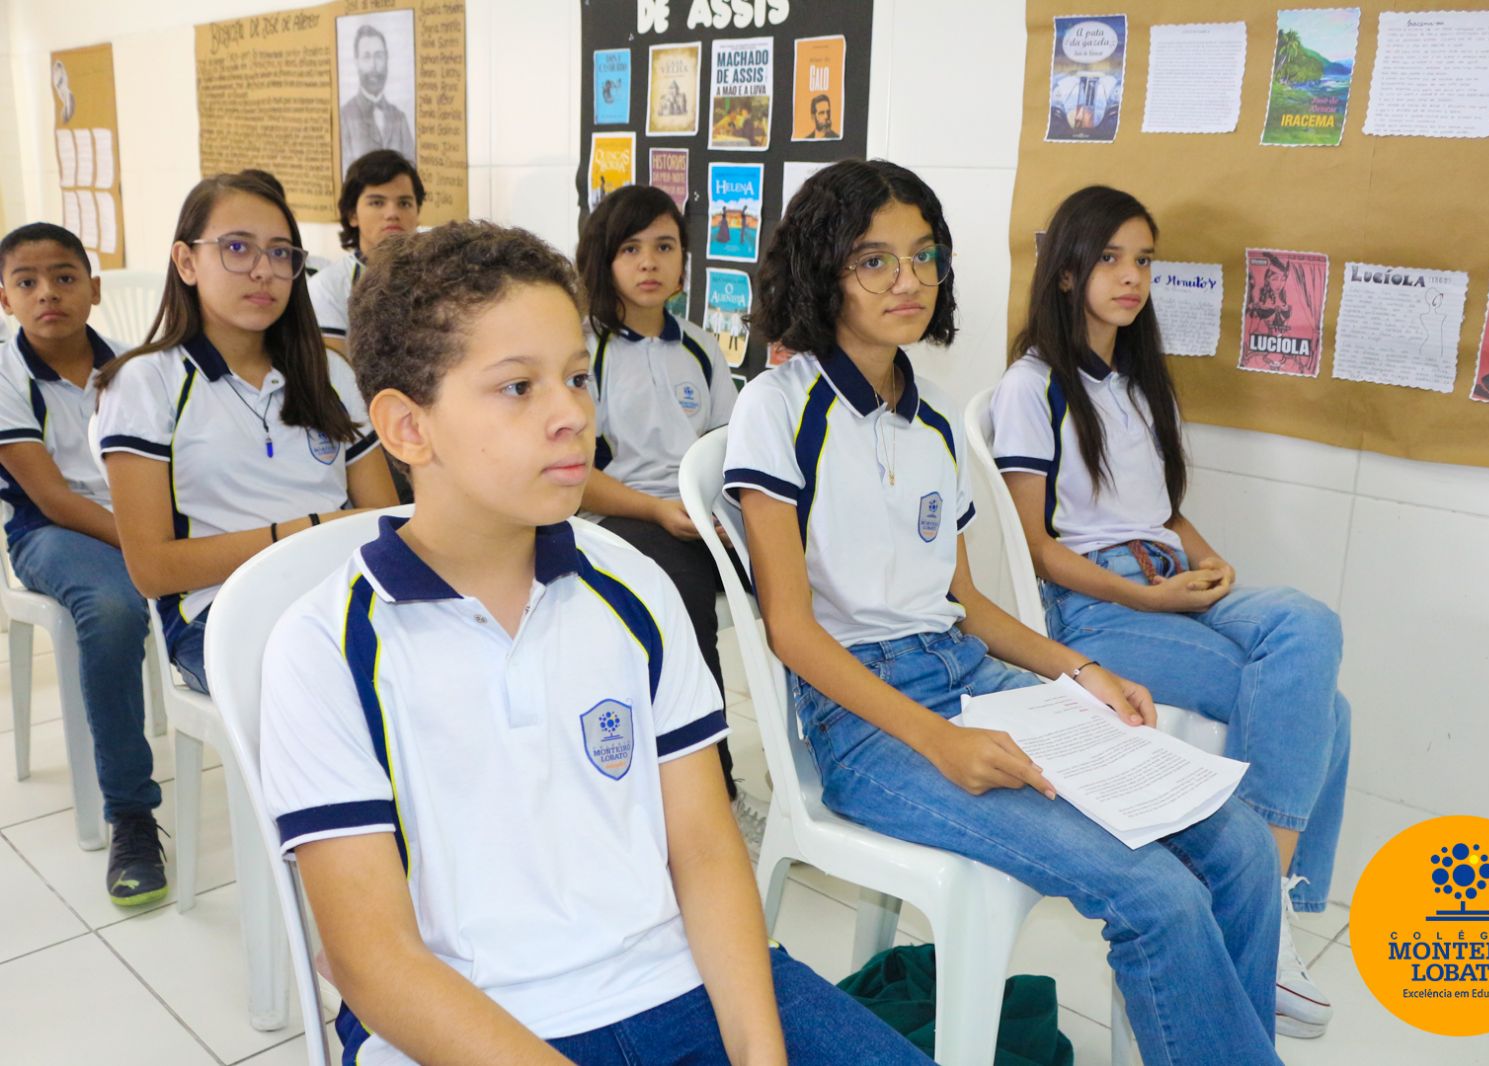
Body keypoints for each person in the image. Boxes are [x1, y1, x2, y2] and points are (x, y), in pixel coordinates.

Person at [258, 219, 926, 1066]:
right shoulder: (326, 646)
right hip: (470, 1024)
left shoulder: (633, 589)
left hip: (681, 979)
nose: (571, 414)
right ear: (407, 427)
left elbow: (705, 849)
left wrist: (761, 1055)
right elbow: (374, 961)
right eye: (517, 387)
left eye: (577, 378)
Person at [724, 159, 1284, 1065]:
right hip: (866, 725)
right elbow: (790, 630)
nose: (908, 281)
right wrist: (940, 741)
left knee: (1243, 845)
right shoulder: (776, 407)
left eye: (924, 256)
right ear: (825, 271)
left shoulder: (938, 419)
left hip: (971, 677)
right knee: (1158, 896)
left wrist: (1084, 672)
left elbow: (966, 603)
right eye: (874, 261)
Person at [991, 184, 1350, 1041]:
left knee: (1311, 626)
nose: (1131, 277)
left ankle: (1262, 902)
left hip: (1171, 578)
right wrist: (1146, 595)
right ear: (1067, 271)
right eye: (1111, 259)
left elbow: (1160, 510)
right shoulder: (1032, 387)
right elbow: (1036, 546)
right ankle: (1268, 923)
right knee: (1327, 712)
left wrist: (1205, 556)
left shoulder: (1139, 380)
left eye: (1144, 261)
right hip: (1096, 607)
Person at [95, 172, 398, 694]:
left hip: (340, 595)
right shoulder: (145, 382)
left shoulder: (329, 373)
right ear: (186, 262)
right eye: (237, 248)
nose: (263, 270)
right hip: (220, 612)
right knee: (335, 694)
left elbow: (381, 517)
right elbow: (151, 568)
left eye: (280, 253)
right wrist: (303, 534)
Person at [0, 223, 163, 906]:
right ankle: (131, 814)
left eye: (65, 278)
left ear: (93, 289)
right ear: (5, 298)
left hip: (141, 517)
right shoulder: (6, 375)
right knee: (115, 608)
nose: (48, 293)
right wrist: (152, 546)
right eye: (27, 281)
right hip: (50, 531)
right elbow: (55, 499)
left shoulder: (134, 365)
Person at [574, 186, 745, 812]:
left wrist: (725, 517)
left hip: (699, 516)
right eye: (631, 248)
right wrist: (658, 511)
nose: (649, 262)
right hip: (619, 516)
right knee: (682, 594)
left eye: (665, 247)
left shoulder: (700, 346)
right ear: (604, 260)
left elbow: (729, 451)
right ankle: (713, 790)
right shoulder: (584, 350)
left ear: (683, 262)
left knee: (801, 573)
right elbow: (574, 479)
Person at [310, 149, 426, 353]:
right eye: (377, 203)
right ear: (352, 215)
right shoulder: (328, 286)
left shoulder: (439, 278)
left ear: (417, 214)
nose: (392, 214)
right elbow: (337, 368)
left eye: (404, 203)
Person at [340, 23, 416, 173]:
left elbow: (413, 171)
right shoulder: (344, 117)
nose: (374, 65)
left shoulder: (400, 118)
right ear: (356, 62)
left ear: (387, 60)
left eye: (379, 56)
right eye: (366, 57)